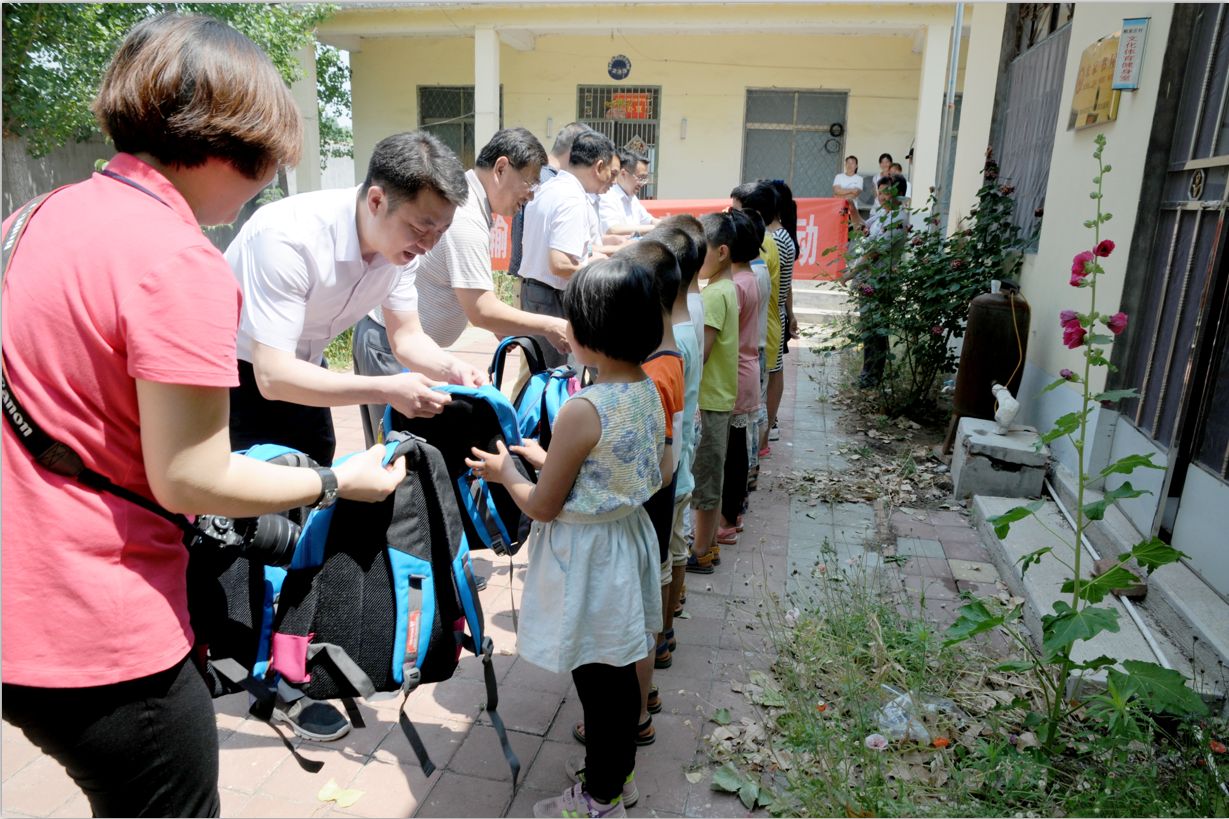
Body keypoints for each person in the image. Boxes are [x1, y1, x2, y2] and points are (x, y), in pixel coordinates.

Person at [0, 15, 406, 817]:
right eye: (265, 160)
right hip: (100, 629)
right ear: (233, 142)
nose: (264, 183)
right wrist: (333, 479)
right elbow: (190, 473)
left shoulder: (33, 219)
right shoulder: (176, 257)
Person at [225, 129, 487, 740]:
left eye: (439, 233)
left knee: (308, 521)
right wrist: (388, 389)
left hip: (302, 372)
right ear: (375, 201)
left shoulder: (398, 252)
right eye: (420, 228)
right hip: (232, 381)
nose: (427, 245)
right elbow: (270, 374)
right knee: (247, 529)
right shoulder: (287, 237)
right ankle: (256, 667)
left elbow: (407, 339)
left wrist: (450, 368)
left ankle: (293, 659)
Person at [466, 257, 666, 819]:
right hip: (625, 541)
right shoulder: (646, 388)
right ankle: (616, 778)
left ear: (588, 333)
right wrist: (548, 457)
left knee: (597, 679)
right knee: (617, 669)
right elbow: (610, 464)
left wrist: (509, 474)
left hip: (589, 559)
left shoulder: (583, 408)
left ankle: (601, 798)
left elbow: (545, 505)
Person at [351, 128, 569, 446]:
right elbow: (482, 310)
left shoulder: (469, 210)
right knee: (399, 455)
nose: (531, 193)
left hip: (404, 344)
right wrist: (550, 325)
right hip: (389, 345)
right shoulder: (465, 221)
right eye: (530, 181)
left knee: (402, 452)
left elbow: (478, 305)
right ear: (502, 168)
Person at [639, 224, 705, 668]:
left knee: (661, 563)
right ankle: (668, 631)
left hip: (667, 480)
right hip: (681, 467)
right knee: (674, 550)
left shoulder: (665, 353)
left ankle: (659, 637)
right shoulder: (687, 323)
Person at [518, 130, 618, 368]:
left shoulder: (551, 187)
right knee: (557, 380)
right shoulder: (571, 198)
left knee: (541, 376)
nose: (610, 181)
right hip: (551, 298)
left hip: (536, 294)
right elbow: (560, 263)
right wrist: (597, 270)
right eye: (609, 173)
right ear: (599, 165)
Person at [687, 212, 740, 574]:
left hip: (708, 401)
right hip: (718, 399)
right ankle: (707, 544)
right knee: (710, 475)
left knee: (705, 480)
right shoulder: (725, 289)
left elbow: (701, 352)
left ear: (722, 252)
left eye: (700, 252)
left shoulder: (717, 295)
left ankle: (703, 549)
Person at [717, 209, 766, 550]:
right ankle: (733, 515)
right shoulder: (751, 277)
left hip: (734, 373)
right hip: (746, 369)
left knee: (730, 453)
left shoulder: (734, 287)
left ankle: (726, 521)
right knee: (737, 450)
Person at [842, 173, 910, 387]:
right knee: (869, 329)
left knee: (876, 331)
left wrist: (851, 272)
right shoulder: (883, 215)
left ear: (898, 193)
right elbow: (863, 228)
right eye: (879, 192)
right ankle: (868, 375)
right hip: (869, 281)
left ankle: (872, 378)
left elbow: (875, 251)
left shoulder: (898, 219)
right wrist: (852, 209)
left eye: (885, 192)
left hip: (880, 281)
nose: (880, 196)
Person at [729, 182, 781, 457]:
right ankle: (753, 462)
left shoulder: (742, 280)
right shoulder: (753, 271)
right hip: (759, 340)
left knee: (745, 419)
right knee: (752, 415)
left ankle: (750, 463)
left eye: (734, 214)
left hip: (749, 347)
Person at [508, 122, 592, 279]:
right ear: (574, 152)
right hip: (540, 286)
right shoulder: (551, 183)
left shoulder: (542, 176)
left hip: (525, 281)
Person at [765, 179, 800, 445]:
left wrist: (789, 313)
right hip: (778, 313)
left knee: (773, 371)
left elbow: (780, 283)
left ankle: (768, 425)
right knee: (775, 370)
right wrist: (792, 313)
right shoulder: (783, 235)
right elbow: (786, 283)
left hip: (772, 315)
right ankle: (769, 423)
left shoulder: (775, 239)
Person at [598, 148, 659, 237]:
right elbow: (612, 229)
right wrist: (653, 228)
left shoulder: (632, 198)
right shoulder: (607, 195)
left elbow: (649, 220)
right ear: (623, 173)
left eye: (645, 179)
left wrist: (669, 225)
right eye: (640, 178)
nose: (643, 183)